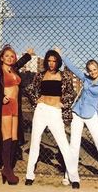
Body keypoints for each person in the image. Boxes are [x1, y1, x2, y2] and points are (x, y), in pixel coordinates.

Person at [61, 53, 98, 189]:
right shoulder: (86, 79)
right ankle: (69, 175)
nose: (92, 72)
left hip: (92, 115)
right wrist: (62, 56)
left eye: (94, 69)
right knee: (74, 145)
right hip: (78, 113)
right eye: (90, 70)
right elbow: (74, 69)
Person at [24, 49, 78, 187]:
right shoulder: (40, 75)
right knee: (35, 142)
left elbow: (71, 94)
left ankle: (74, 177)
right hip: (41, 111)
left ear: (58, 62)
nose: (51, 63)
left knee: (63, 144)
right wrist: (36, 100)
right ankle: (29, 175)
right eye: (49, 60)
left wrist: (62, 103)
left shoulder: (63, 76)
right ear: (46, 61)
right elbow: (29, 89)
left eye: (54, 61)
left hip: (55, 111)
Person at [0, 45, 32, 185]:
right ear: (2, 58)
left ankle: (8, 169)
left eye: (12, 56)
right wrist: (0, 97)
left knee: (14, 137)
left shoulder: (14, 69)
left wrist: (28, 55)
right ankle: (7, 169)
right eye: (7, 55)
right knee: (7, 137)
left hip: (15, 106)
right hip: (6, 106)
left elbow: (19, 63)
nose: (10, 58)